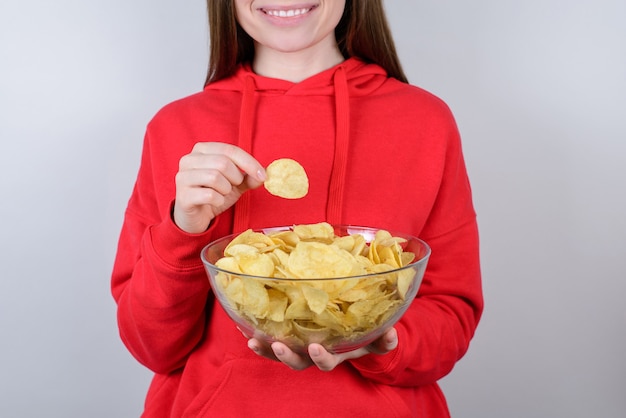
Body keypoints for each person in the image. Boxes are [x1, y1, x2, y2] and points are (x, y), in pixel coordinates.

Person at [111, 1, 483, 417]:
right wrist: (184, 229)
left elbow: (451, 318)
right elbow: (150, 346)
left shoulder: (425, 121)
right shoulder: (176, 128)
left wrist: (380, 342)